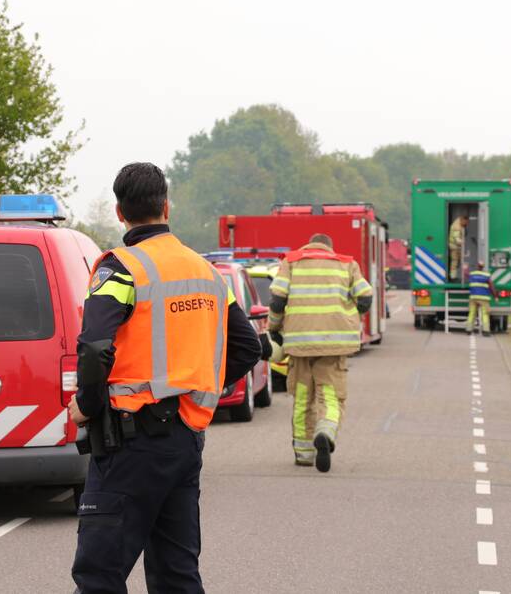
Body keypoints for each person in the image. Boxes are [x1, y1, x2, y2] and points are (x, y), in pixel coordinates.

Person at [68, 162, 264, 594]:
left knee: (99, 575)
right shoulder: (207, 272)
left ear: (120, 212)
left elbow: (96, 347)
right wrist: (199, 387)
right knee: (176, 575)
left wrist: (87, 405)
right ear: (166, 207)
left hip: (128, 442)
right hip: (185, 439)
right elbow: (249, 348)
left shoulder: (118, 269)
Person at [267, 233, 373, 472]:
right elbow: (365, 297)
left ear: (308, 245)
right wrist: (350, 316)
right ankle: (325, 431)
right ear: (329, 248)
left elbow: (277, 301)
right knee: (330, 396)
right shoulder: (347, 263)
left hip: (298, 344)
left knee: (303, 398)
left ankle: (304, 454)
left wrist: (273, 328)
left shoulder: (291, 261)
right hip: (334, 345)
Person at [466, 261, 496, 336]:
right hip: (483, 298)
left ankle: (468, 330)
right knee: (485, 314)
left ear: (477, 266)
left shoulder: (473, 274)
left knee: (472, 313)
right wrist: (495, 296)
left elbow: (466, 275)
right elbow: (491, 287)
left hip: (473, 298)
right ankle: (486, 331)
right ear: (483, 267)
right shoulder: (486, 275)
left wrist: (465, 268)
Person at [448, 216, 469, 281]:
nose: (467, 224)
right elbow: (457, 238)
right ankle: (452, 277)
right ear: (463, 220)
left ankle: (452, 276)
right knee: (455, 262)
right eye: (466, 222)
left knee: (457, 262)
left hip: (456, 247)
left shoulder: (459, 224)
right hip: (454, 247)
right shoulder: (457, 226)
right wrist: (462, 242)